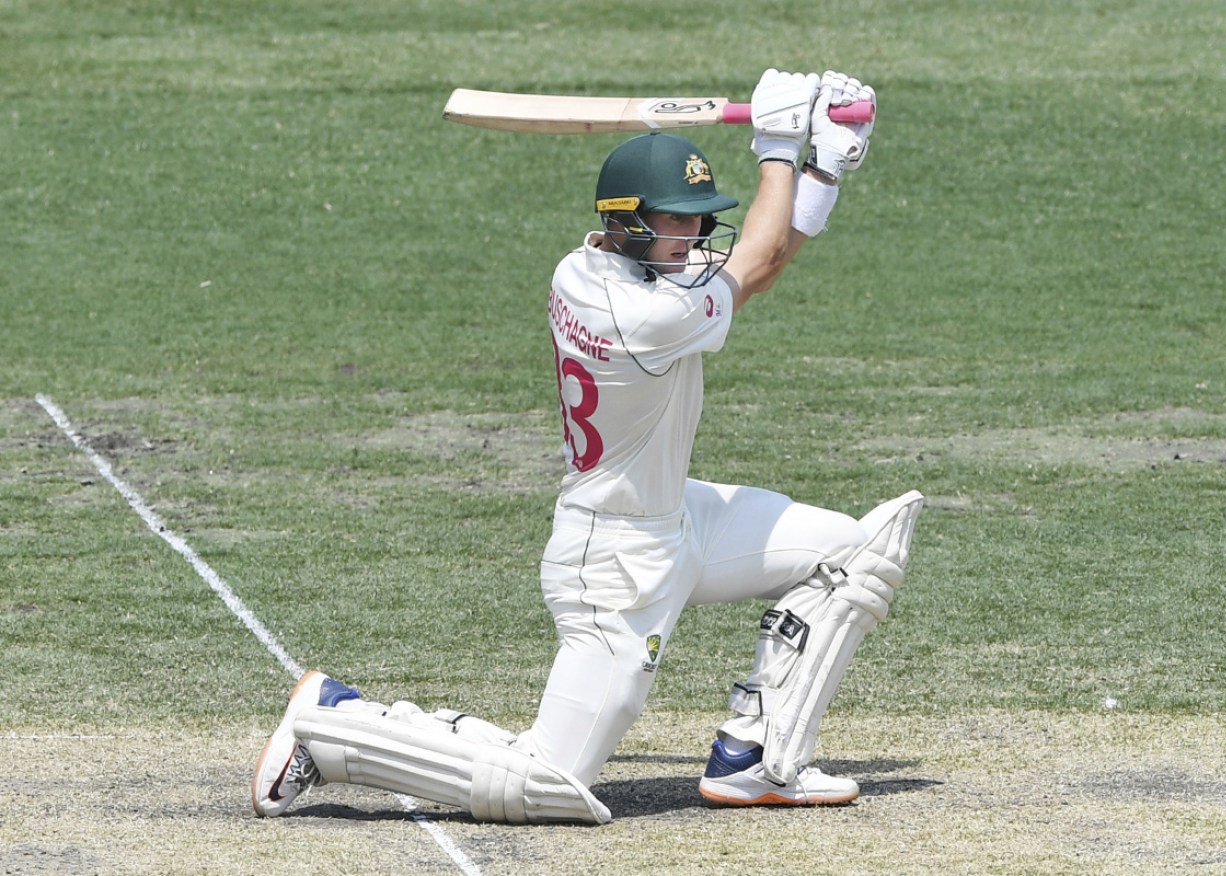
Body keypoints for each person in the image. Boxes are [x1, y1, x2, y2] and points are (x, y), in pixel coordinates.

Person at [251, 69, 924, 826]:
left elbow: (752, 266)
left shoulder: (592, 268)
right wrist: (776, 144)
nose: (699, 237)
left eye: (703, 220)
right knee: (549, 784)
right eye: (680, 221)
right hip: (616, 563)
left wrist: (823, 165)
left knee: (853, 552)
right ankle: (332, 723)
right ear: (629, 222)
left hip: (679, 519)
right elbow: (759, 262)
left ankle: (755, 759)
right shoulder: (638, 314)